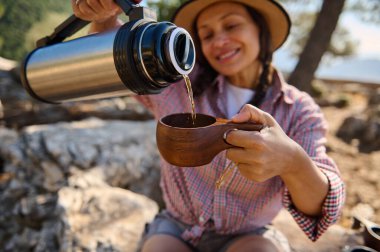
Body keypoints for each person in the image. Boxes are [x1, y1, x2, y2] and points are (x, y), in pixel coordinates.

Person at [72, 0, 345, 251]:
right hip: (176, 228)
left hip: (248, 234)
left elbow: (322, 205)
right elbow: (118, 62)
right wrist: (105, 17)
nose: (220, 41)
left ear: (261, 30)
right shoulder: (176, 82)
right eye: (207, 34)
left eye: (231, 25)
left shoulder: (297, 110)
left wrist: (292, 162)